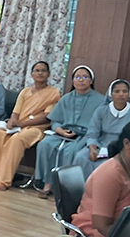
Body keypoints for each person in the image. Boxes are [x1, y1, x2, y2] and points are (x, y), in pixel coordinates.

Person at [0, 61, 61, 190]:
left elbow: (46, 117)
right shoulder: (25, 92)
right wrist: (12, 122)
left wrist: (22, 124)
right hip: (18, 126)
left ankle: (2, 181)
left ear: (48, 74)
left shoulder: (53, 93)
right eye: (37, 70)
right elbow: (15, 113)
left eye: (43, 71)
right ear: (32, 74)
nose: (40, 73)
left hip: (36, 129)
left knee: (16, 140)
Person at [34, 65, 106, 198]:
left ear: (91, 81)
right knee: (45, 145)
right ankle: (47, 184)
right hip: (63, 133)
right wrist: (59, 130)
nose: (81, 80)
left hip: (86, 135)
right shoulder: (66, 98)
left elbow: (99, 125)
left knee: (72, 151)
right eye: (77, 77)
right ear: (73, 81)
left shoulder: (101, 101)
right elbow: (55, 121)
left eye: (85, 77)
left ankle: (65, 189)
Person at [72, 79, 130, 179]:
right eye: (117, 91)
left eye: (125, 91)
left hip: (123, 148)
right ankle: (80, 191)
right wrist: (93, 149)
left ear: (129, 94)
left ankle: (100, 193)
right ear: (111, 94)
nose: (121, 94)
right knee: (81, 157)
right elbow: (92, 133)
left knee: (107, 166)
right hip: (100, 144)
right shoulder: (101, 111)